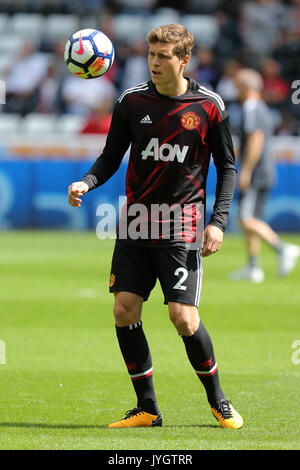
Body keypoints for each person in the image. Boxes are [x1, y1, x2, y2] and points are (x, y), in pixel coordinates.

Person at [68, 23, 243, 429]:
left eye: (163, 56)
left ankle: (219, 400)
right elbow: (112, 155)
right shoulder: (131, 101)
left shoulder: (209, 105)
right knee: (123, 309)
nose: (155, 63)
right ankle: (147, 408)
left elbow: (228, 166)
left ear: (184, 60)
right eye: (151, 55)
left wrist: (217, 222)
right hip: (135, 223)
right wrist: (87, 181)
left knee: (183, 317)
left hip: (181, 226)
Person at [229, 68, 300, 283]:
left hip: (257, 171)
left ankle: (282, 248)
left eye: (237, 84)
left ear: (245, 86)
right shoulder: (262, 108)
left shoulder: (251, 108)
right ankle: (253, 266)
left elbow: (256, 139)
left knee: (244, 218)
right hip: (265, 169)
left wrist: (246, 170)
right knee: (252, 217)